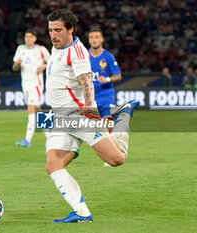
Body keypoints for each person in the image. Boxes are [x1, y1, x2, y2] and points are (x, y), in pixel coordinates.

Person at [45, 9, 139, 223]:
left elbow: (86, 80)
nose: (53, 35)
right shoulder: (57, 46)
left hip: (80, 117)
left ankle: (122, 116)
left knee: (117, 160)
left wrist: (89, 106)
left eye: (58, 30)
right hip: (61, 118)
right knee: (53, 165)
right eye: (50, 30)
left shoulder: (77, 52)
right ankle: (81, 213)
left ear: (71, 30)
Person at [88, 29, 122, 166]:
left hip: (106, 97)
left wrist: (107, 79)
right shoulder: (84, 56)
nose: (94, 40)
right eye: (91, 37)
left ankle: (112, 156)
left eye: (97, 37)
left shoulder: (108, 56)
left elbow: (118, 76)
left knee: (108, 125)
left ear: (102, 39)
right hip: (89, 98)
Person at [12, 29, 51, 147]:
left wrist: (43, 66)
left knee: (31, 109)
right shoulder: (20, 49)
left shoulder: (41, 49)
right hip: (25, 84)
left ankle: (27, 139)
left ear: (35, 38)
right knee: (37, 110)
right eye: (26, 36)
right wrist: (17, 64)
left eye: (30, 37)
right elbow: (14, 68)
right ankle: (50, 137)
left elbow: (52, 62)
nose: (27, 39)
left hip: (36, 84)